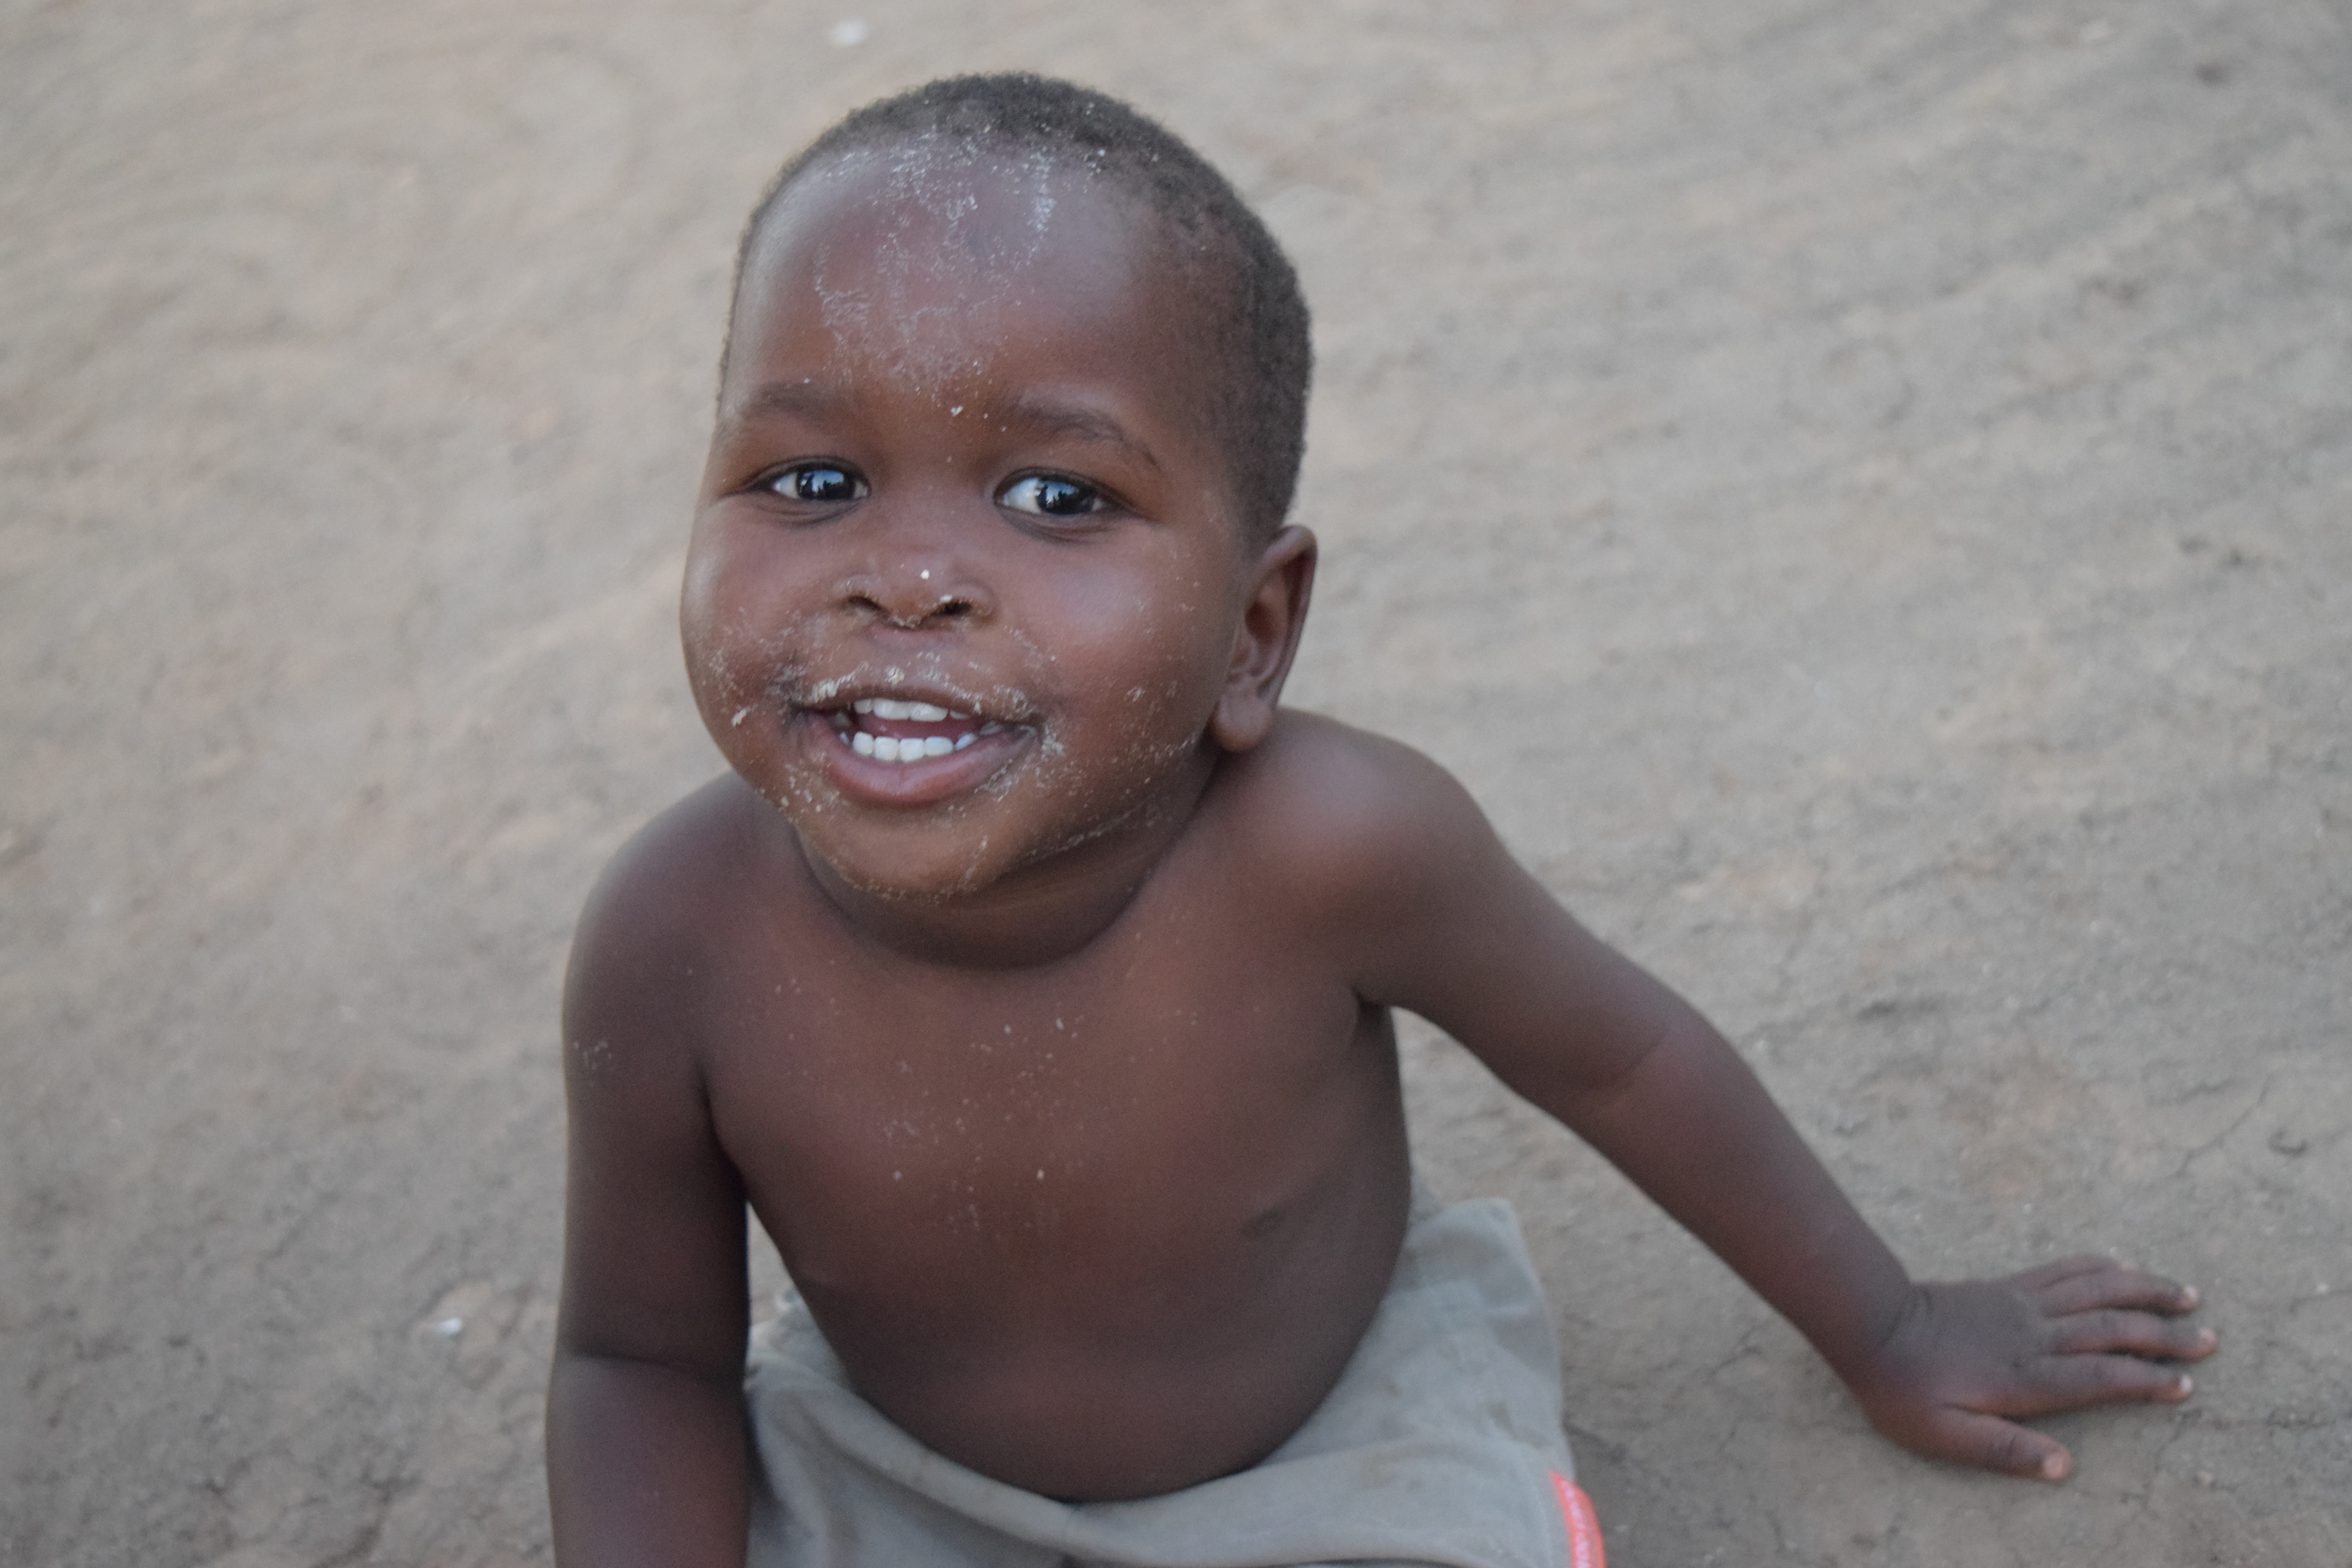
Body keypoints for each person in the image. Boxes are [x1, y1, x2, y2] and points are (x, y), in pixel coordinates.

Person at [545, 74, 2215, 1568]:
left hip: (1347, 1452)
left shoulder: (1336, 850)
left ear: (1254, 632)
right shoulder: (677, 939)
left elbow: (1624, 1061)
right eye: (812, 481)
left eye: (1060, 497)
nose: (902, 578)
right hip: (896, 1477)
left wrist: (1894, 1324)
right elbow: (640, 1360)